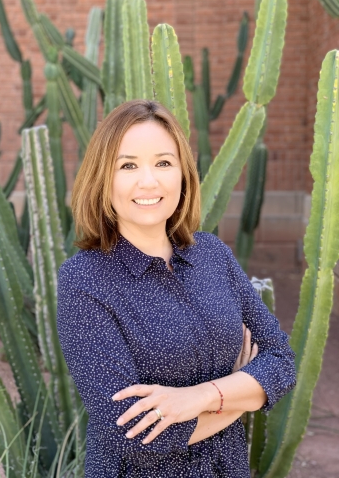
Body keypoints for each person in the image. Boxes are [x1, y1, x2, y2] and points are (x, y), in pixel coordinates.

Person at [56, 99, 296, 477]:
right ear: (104, 177)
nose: (148, 181)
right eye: (128, 165)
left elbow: (281, 361)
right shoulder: (84, 280)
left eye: (164, 163)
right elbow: (132, 434)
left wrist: (197, 398)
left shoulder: (213, 255)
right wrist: (240, 393)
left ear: (183, 174)